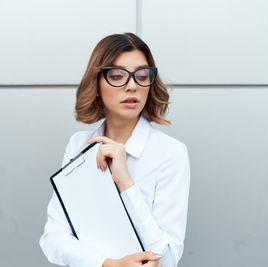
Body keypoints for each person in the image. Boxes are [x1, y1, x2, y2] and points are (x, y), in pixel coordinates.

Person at [40, 33, 190, 267]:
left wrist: (125, 182)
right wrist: (109, 264)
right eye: (118, 76)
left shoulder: (170, 153)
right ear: (97, 84)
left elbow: (167, 258)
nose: (132, 86)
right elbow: (53, 239)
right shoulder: (79, 145)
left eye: (142, 76)